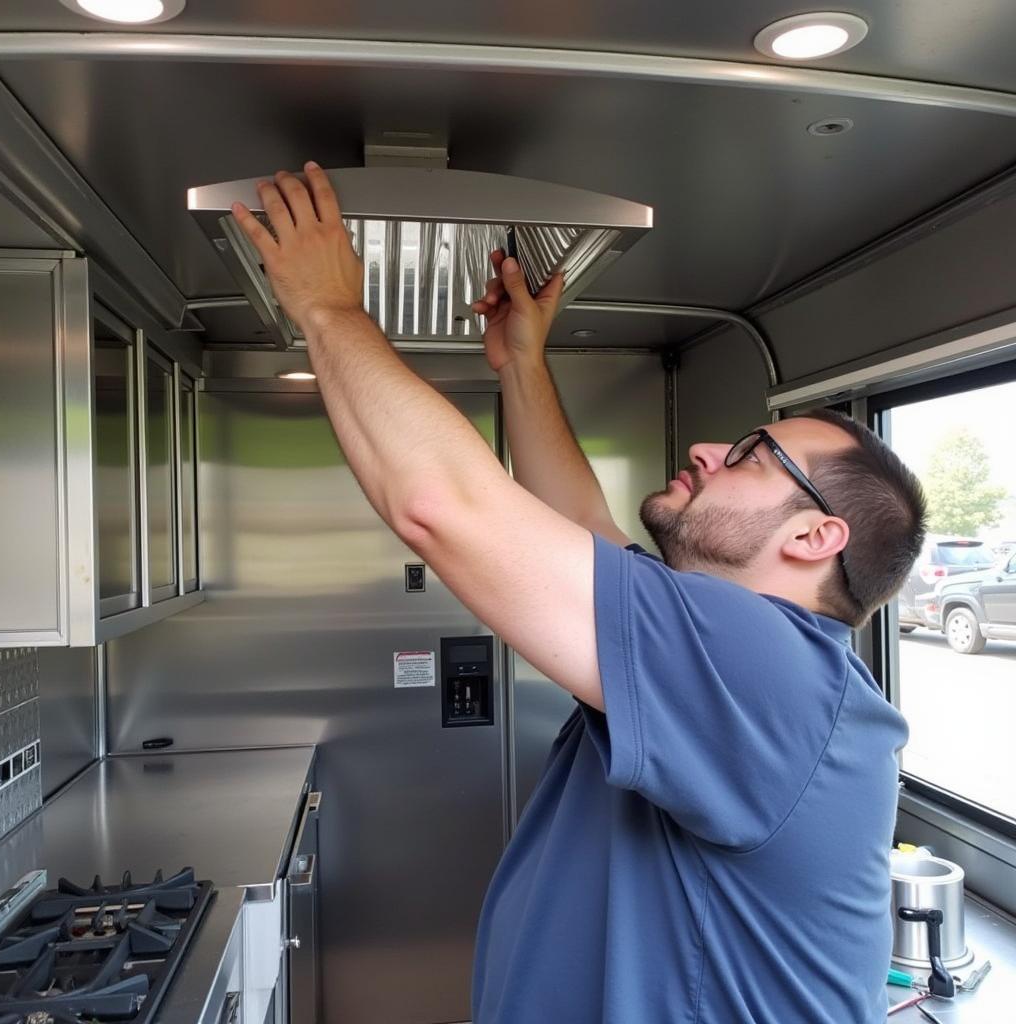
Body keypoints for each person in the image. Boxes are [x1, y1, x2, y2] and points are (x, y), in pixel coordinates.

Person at [232, 163, 927, 1024]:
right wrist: (523, 362)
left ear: (814, 537)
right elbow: (584, 538)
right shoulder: (739, 665)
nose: (710, 448)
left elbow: (439, 507)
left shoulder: (771, 671)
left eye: (753, 454)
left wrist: (327, 309)